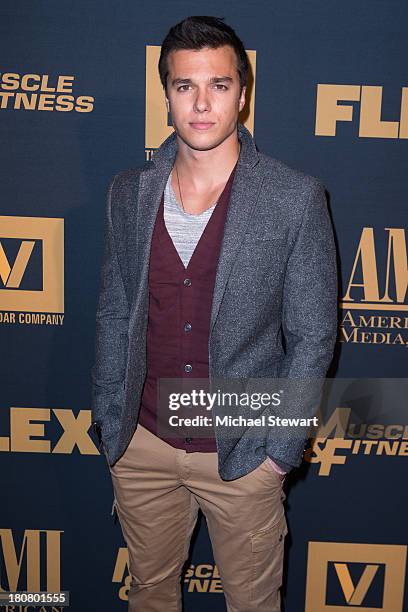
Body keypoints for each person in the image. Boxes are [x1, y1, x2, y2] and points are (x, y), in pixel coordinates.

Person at [91, 15, 338, 612]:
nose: (202, 104)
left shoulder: (293, 197)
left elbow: (312, 335)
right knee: (150, 594)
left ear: (243, 94)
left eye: (219, 85)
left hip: (242, 453)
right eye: (185, 86)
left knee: (252, 604)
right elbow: (114, 310)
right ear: (167, 94)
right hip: (141, 444)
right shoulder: (130, 191)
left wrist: (278, 451)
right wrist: (109, 420)